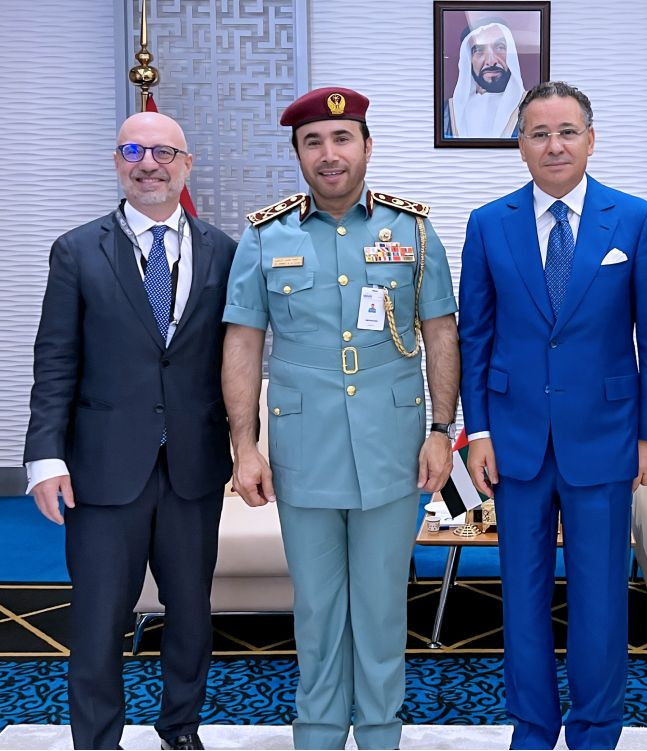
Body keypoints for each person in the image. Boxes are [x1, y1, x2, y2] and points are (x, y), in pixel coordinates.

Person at [221, 86, 459, 750]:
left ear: (367, 145)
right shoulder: (266, 236)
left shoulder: (411, 230)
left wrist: (442, 430)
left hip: (392, 446)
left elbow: (439, 330)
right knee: (320, 610)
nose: (330, 154)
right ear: (298, 153)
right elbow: (242, 342)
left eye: (342, 138)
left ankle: (381, 732)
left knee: (382, 607)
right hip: (305, 450)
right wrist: (245, 444)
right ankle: (320, 733)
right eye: (313, 142)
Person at [459, 81, 647, 749]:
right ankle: (531, 726)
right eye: (538, 133)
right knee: (521, 597)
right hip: (515, 438)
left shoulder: (634, 219)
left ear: (590, 138)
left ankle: (594, 728)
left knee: (600, 598)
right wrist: (480, 431)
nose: (554, 145)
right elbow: (476, 333)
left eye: (567, 131)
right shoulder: (488, 222)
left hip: (607, 438)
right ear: (519, 144)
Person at [23, 111, 236, 750]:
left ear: (187, 164)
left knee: (192, 617)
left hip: (193, 466)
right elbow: (55, 358)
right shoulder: (77, 249)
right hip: (102, 468)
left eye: (164, 152)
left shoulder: (224, 250)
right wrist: (44, 458)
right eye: (134, 150)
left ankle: (181, 730)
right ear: (117, 161)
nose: (149, 163)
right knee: (97, 620)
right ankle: (95, 739)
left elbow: (236, 359)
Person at [443, 21, 526, 139]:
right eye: (479, 51)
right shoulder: (448, 112)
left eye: (500, 47)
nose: (491, 61)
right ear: (468, 61)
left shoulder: (532, 106)